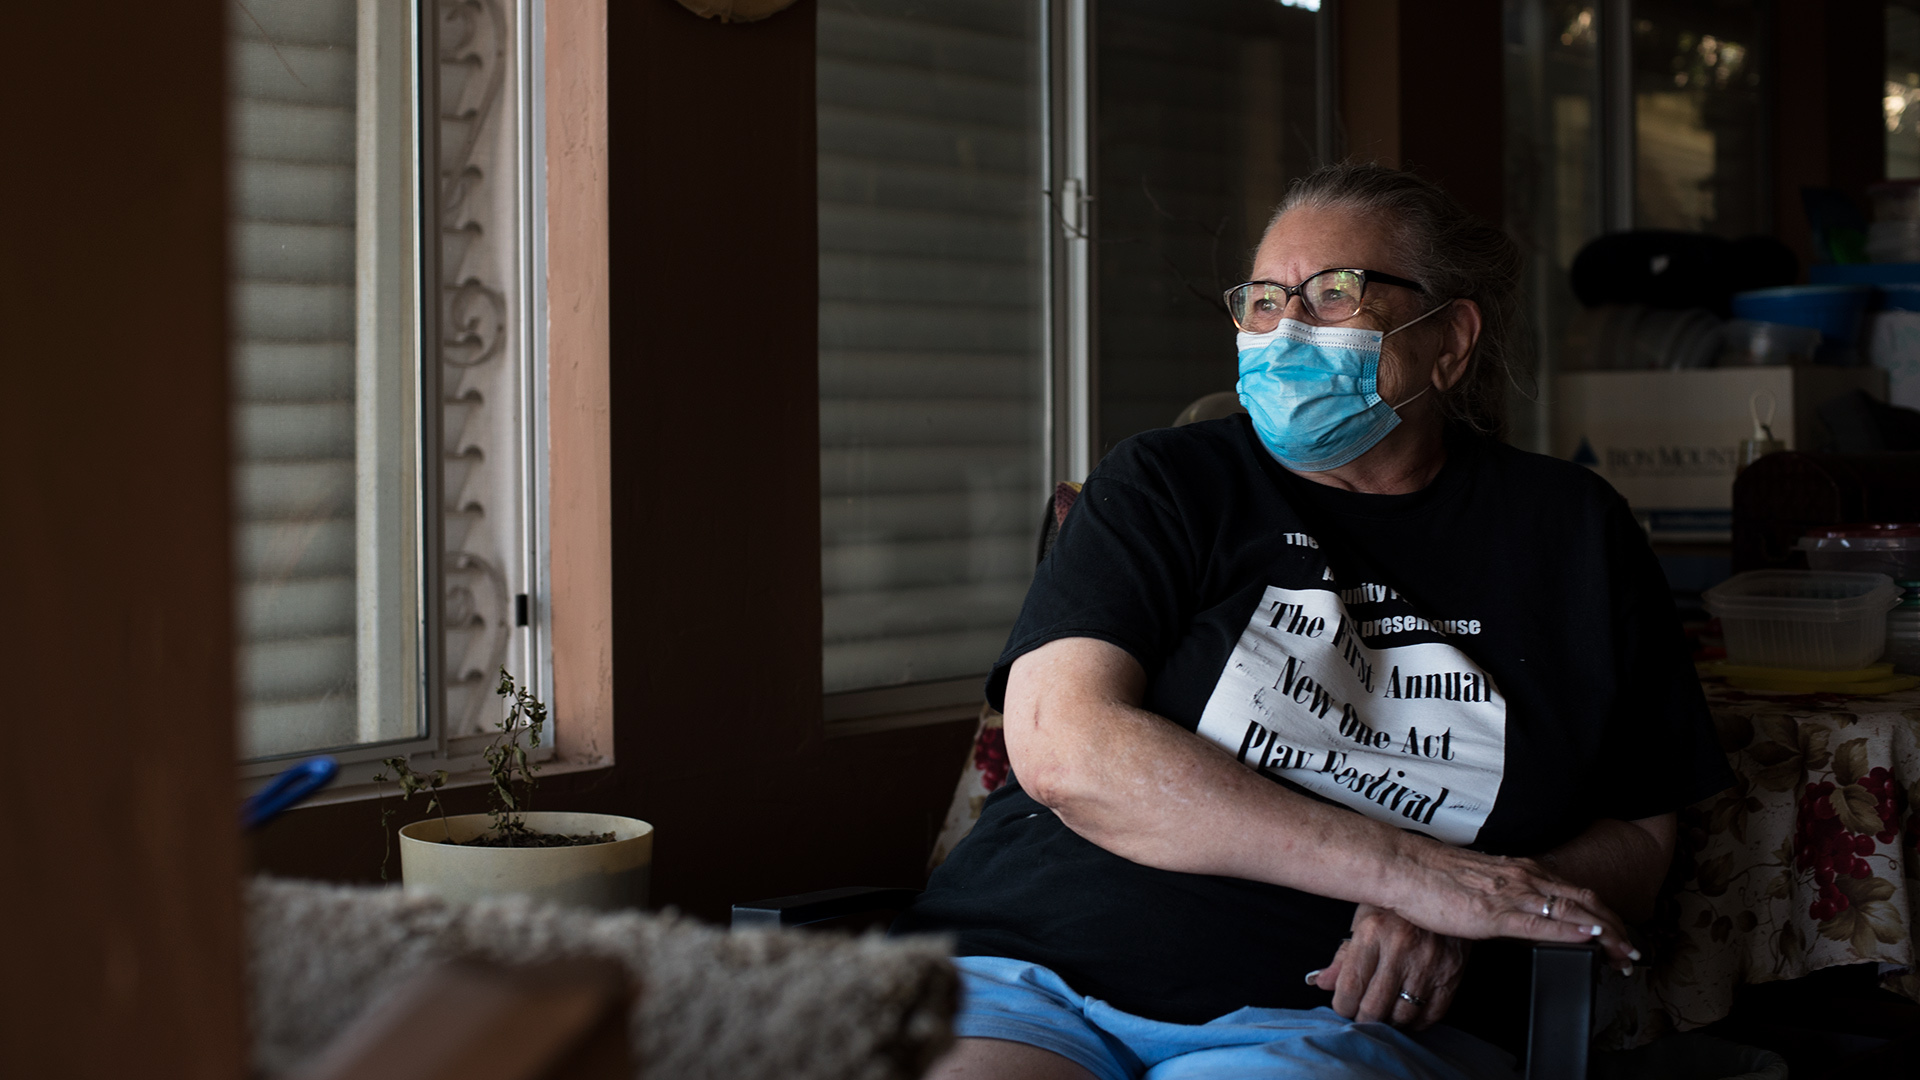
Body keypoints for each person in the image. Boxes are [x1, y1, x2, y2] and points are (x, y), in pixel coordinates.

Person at [894, 163, 1733, 1080]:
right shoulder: (1167, 485)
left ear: (1450, 339)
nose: (1286, 327)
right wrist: (1417, 875)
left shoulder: (1573, 532)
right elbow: (1063, 746)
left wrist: (1451, 911)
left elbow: (1642, 840)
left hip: (1325, 1019)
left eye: (1335, 294)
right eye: (1262, 300)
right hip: (1025, 975)